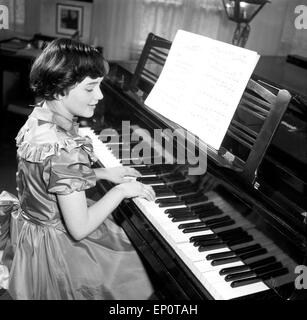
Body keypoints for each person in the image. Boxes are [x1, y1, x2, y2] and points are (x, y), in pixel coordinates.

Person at [0, 38, 156, 300]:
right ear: (60, 90)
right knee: (125, 265)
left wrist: (104, 173)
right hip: (53, 248)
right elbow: (79, 228)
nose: (100, 95)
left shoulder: (40, 117)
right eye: (90, 88)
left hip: (29, 231)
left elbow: (49, 181)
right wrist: (121, 191)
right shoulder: (63, 148)